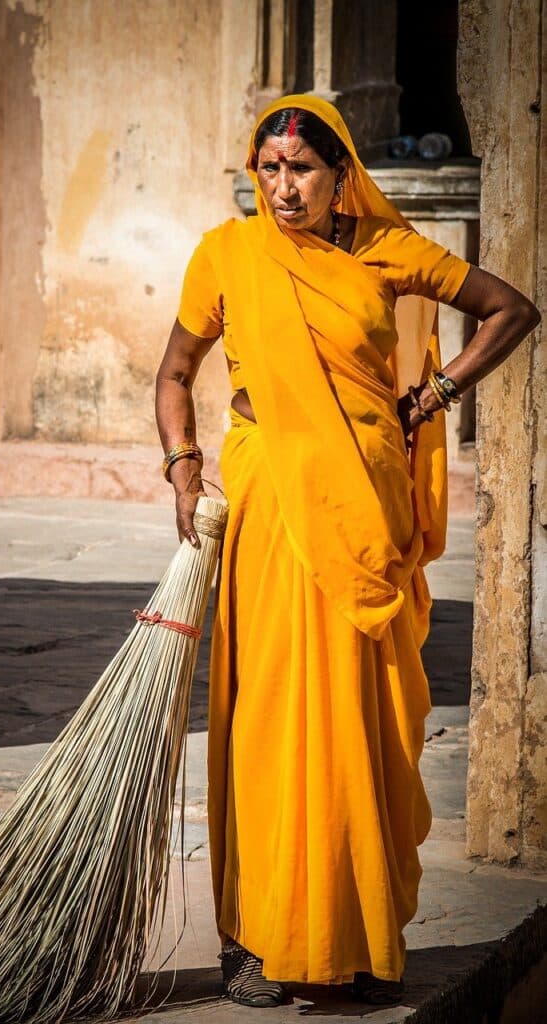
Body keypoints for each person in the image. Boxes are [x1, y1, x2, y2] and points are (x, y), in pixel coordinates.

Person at [155, 94, 539, 1008]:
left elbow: (509, 309)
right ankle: (251, 939)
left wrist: (433, 393)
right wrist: (181, 467)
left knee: (356, 725)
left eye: (302, 170)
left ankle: (354, 937)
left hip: (364, 506)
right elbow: (175, 372)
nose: (282, 189)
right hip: (268, 503)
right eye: (270, 170)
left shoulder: (385, 250)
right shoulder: (227, 254)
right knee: (265, 716)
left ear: (340, 175)